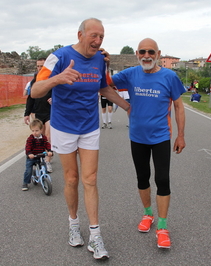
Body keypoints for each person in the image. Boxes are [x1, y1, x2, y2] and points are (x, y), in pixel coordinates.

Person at [31, 18, 130, 260]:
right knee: (71, 178)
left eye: (102, 37)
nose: (98, 41)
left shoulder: (99, 60)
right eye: (93, 35)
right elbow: (35, 90)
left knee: (91, 179)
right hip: (64, 127)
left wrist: (129, 107)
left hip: (89, 127)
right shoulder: (59, 57)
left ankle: (95, 236)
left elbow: (104, 88)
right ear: (80, 34)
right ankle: (73, 224)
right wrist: (57, 78)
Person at [110, 38, 186, 249]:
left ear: (158, 54)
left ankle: (162, 227)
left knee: (162, 179)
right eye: (142, 52)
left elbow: (179, 107)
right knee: (142, 178)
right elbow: (106, 84)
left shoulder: (169, 76)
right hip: (137, 137)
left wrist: (181, 135)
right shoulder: (130, 74)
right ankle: (148, 214)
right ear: (137, 53)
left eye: (151, 52)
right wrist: (103, 63)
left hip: (161, 136)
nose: (146, 56)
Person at [23, 58, 53, 172]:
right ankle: (39, 158)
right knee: (40, 137)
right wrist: (27, 114)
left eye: (42, 66)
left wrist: (54, 99)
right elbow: (30, 99)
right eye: (38, 66)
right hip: (37, 112)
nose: (40, 68)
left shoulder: (52, 78)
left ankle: (47, 161)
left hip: (49, 112)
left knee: (48, 136)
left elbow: (58, 92)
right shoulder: (33, 81)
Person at [23, 119, 53, 191]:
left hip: (41, 156)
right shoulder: (30, 139)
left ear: (41, 130)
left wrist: (49, 151)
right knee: (28, 170)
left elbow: (47, 144)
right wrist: (29, 153)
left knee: (44, 167)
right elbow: (28, 147)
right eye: (33, 131)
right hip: (32, 156)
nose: (34, 132)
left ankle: (43, 178)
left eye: (36, 130)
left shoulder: (43, 138)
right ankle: (25, 182)